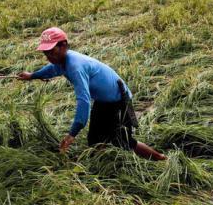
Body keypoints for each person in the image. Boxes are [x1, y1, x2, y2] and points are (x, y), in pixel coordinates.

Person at [18, 27, 167, 161]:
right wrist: (32, 75)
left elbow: (83, 101)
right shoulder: (61, 61)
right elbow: (52, 69)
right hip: (103, 101)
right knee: (95, 140)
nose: (49, 56)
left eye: (52, 51)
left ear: (64, 45)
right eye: (46, 53)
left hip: (119, 100)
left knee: (123, 141)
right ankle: (102, 165)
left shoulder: (75, 66)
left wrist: (72, 134)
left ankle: (160, 159)